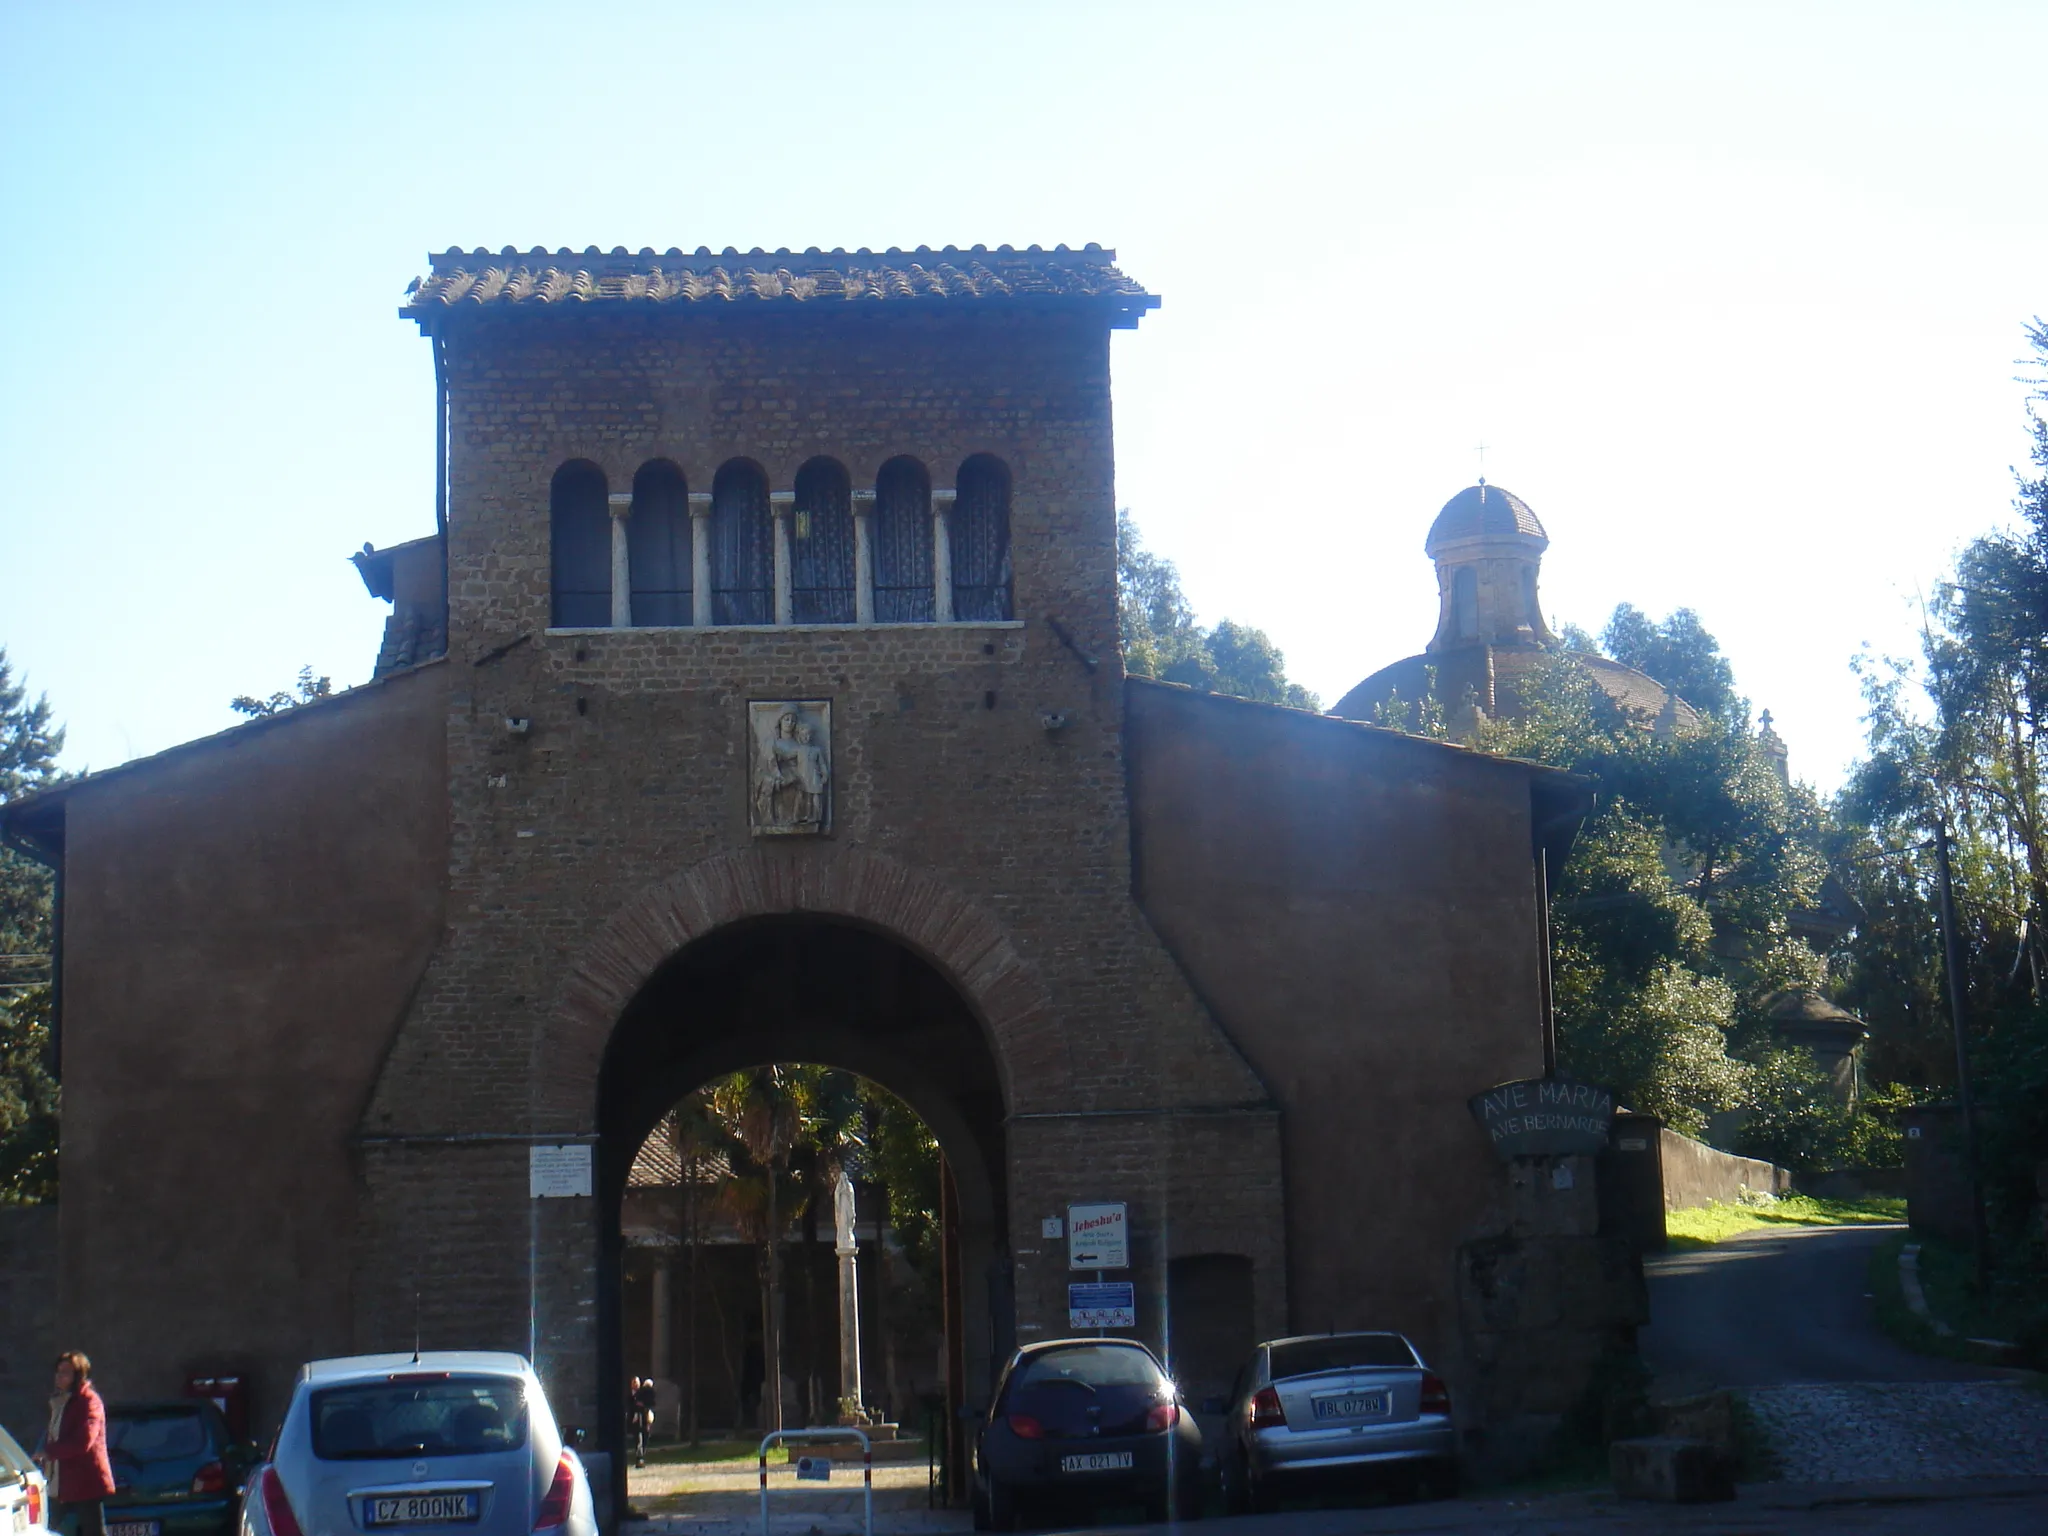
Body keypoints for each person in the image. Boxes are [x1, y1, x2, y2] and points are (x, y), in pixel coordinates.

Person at [41, 1351, 113, 1536]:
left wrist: (50, 1452)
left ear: (78, 1375)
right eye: (58, 1371)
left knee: (93, 1531)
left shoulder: (89, 1401)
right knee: (46, 1527)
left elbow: (84, 1441)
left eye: (66, 1372)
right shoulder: (60, 1402)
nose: (59, 1376)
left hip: (86, 1481)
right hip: (60, 1481)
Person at [630, 1377, 658, 1467]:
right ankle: (640, 1458)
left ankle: (641, 1456)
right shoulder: (636, 1394)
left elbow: (652, 1403)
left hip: (645, 1418)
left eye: (637, 1382)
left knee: (644, 1437)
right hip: (638, 1419)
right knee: (639, 1439)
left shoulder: (644, 1393)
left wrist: (644, 1406)